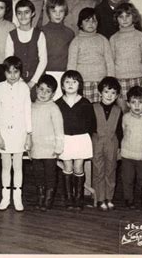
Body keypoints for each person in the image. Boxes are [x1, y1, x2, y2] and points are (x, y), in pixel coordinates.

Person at [0, 56, 32, 211]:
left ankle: (17, 197)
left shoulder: (25, 88)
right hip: (4, 133)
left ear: (20, 71)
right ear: (4, 72)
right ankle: (5, 196)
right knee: (6, 166)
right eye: (9, 72)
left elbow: (28, 112)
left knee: (18, 166)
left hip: (20, 132)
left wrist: (28, 134)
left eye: (16, 71)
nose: (12, 75)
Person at [55, 70, 94, 211]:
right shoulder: (57, 103)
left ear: (80, 85)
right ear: (62, 86)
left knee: (78, 167)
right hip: (64, 139)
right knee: (67, 167)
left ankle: (79, 198)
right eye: (67, 82)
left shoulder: (85, 102)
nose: (70, 84)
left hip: (81, 139)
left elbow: (91, 124)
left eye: (74, 82)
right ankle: (68, 197)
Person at [29, 75, 64, 211]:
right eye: (41, 89)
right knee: (38, 174)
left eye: (48, 91)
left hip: (50, 150)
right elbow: (29, 129)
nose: (43, 93)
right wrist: (28, 146)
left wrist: (58, 147)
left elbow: (59, 130)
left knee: (50, 175)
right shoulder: (31, 107)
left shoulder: (53, 108)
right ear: (36, 89)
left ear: (53, 94)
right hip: (36, 148)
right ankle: (40, 197)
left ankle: (48, 200)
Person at [67, 7, 115, 103]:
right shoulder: (76, 41)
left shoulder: (103, 40)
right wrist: (71, 84)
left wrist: (110, 81)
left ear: (98, 23)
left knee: (100, 108)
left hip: (101, 83)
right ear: (80, 23)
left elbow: (109, 62)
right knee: (85, 108)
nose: (91, 24)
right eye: (87, 21)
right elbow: (71, 64)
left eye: (94, 21)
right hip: (83, 83)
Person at [109, 3, 142, 107]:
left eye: (128, 16)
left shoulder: (140, 36)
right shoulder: (113, 38)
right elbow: (110, 62)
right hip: (119, 81)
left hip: (138, 79)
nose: (125, 19)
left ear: (133, 16)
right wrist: (112, 82)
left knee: (137, 111)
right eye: (121, 16)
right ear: (116, 19)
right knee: (123, 112)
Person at [91, 77, 123, 211]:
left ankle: (109, 198)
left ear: (117, 95)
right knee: (98, 170)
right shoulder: (93, 107)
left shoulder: (118, 110)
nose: (109, 95)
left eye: (113, 93)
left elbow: (120, 131)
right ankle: (99, 198)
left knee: (110, 170)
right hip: (97, 141)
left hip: (112, 142)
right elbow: (90, 127)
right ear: (100, 93)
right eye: (106, 92)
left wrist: (119, 146)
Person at [5, 0, 47, 94]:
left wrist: (33, 82)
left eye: (26, 12)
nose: (23, 16)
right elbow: (9, 61)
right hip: (16, 81)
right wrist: (19, 81)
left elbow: (43, 60)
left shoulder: (39, 34)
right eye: (19, 13)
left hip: (37, 82)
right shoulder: (11, 35)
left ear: (33, 14)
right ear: (16, 15)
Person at [41, 0, 74, 99]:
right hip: (45, 74)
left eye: (61, 11)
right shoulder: (41, 31)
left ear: (65, 13)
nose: (58, 14)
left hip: (63, 75)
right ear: (48, 12)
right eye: (54, 11)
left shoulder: (69, 33)